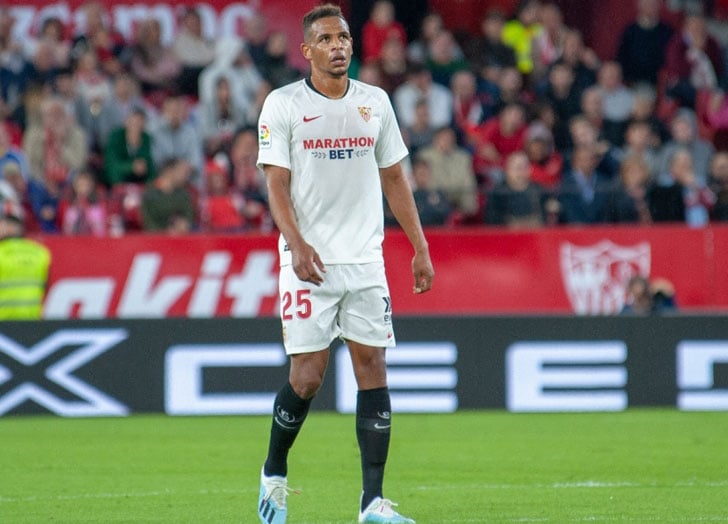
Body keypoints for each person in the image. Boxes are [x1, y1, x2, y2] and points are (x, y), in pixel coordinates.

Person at [255, 5, 434, 524]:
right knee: (308, 376)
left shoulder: (374, 102)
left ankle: (372, 504)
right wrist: (296, 242)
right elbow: (276, 184)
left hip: (365, 261)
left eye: (345, 37)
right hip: (307, 261)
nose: (339, 46)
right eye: (327, 39)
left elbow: (395, 179)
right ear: (307, 49)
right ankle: (274, 474)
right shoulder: (282, 104)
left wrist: (419, 246)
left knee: (372, 369)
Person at [0, 211, 51, 319]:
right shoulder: (41, 253)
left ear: (9, 228)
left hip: (3, 322)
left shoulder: (2, 253)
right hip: (32, 320)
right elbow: (45, 286)